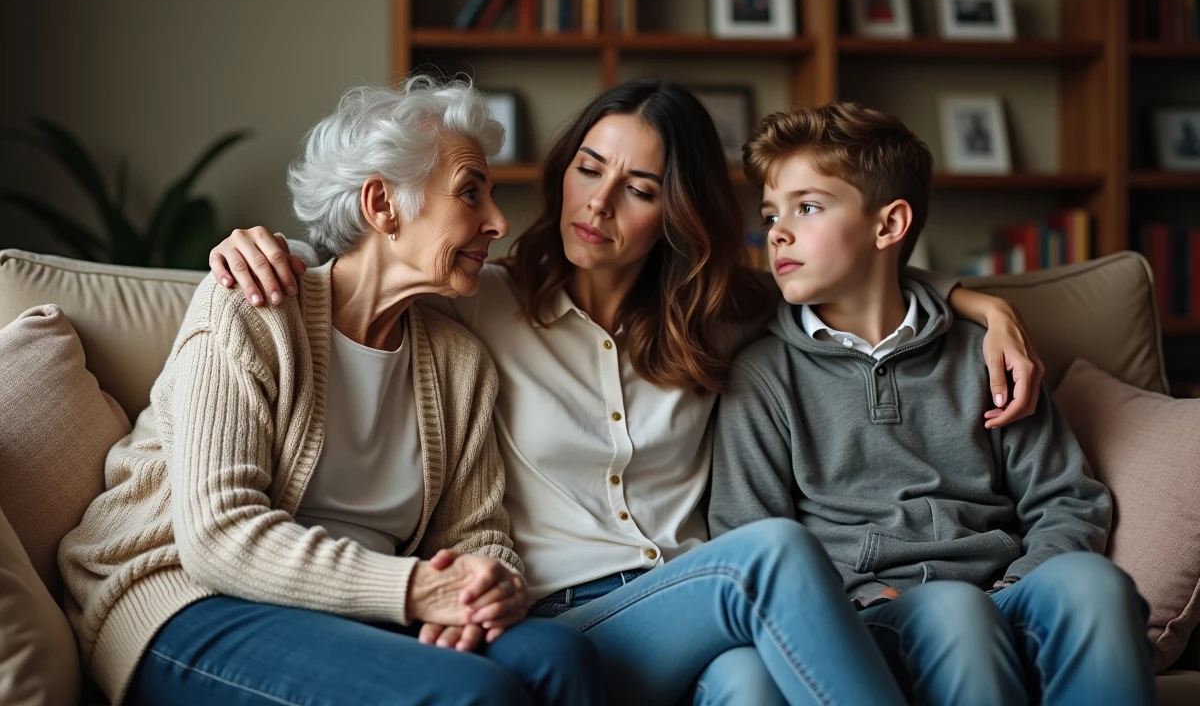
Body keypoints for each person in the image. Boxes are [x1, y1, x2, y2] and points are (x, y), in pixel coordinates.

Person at [209, 78, 1049, 705]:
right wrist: (259, 245)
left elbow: (856, 271)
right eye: (587, 169)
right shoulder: (481, 300)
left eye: (639, 190)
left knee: (750, 687)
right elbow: (362, 264)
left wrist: (982, 307)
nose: (598, 203)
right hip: (566, 617)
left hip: (700, 612)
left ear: (674, 215)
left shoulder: (724, 317)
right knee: (776, 552)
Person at [58, 77, 604, 706]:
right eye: (470, 193)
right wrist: (417, 590)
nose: (499, 221)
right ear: (381, 205)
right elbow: (216, 536)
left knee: (563, 657)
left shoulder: (460, 364)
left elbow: (476, 532)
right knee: (473, 693)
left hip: (361, 607)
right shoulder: (253, 308)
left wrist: (490, 588)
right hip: (187, 596)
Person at [708, 101, 1155, 706]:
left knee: (1096, 585)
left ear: (888, 226)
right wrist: (854, 597)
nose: (777, 232)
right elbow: (750, 536)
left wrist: (1020, 582)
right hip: (865, 614)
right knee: (952, 612)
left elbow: (1068, 500)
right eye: (770, 213)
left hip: (1002, 593)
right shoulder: (763, 376)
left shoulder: (989, 355)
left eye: (807, 207)